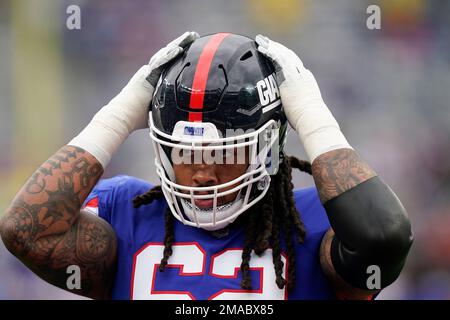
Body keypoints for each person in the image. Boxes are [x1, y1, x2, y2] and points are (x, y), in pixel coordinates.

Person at [0, 31, 413, 300]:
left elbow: (383, 239)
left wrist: (310, 114)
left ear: (265, 148)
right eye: (185, 152)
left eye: (223, 153)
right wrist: (118, 115)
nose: (202, 173)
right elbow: (24, 229)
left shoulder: (311, 223)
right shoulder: (126, 210)